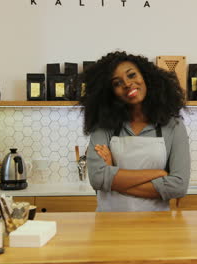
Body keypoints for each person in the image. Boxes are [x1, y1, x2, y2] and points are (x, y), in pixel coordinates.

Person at [81, 51, 190, 212]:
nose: (127, 84)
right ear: (110, 93)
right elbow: (97, 178)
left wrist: (112, 178)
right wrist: (158, 173)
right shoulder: (103, 126)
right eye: (117, 83)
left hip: (157, 227)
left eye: (131, 75)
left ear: (146, 77)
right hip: (109, 226)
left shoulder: (173, 125)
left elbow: (178, 186)